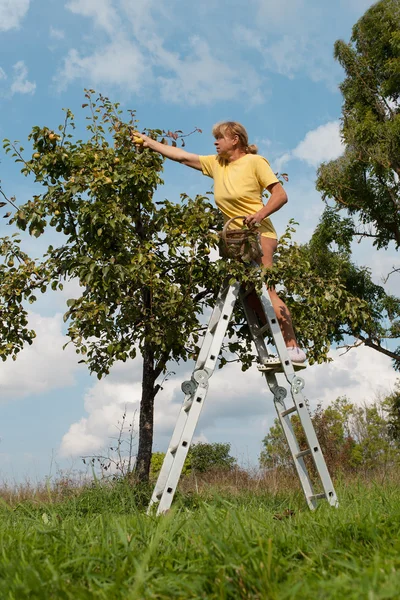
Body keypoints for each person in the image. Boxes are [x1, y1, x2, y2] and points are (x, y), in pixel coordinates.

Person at [132, 121, 306, 365]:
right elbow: (182, 156)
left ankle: (293, 349)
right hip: (235, 241)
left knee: (267, 289)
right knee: (251, 297)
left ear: (235, 139)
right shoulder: (217, 164)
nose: (215, 142)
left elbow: (280, 195)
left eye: (220, 138)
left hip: (259, 234)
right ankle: (276, 343)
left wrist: (259, 214)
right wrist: (149, 143)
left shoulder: (255, 162)